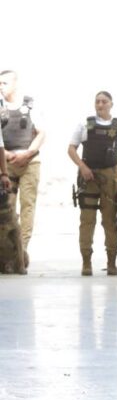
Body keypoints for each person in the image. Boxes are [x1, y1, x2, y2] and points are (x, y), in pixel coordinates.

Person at [67, 91, 117, 276]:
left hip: (111, 178)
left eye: (104, 101)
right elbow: (71, 148)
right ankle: (86, 262)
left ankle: (112, 262)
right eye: (97, 101)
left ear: (111, 104)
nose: (100, 104)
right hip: (88, 177)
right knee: (87, 221)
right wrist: (82, 166)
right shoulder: (85, 124)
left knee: (110, 221)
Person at [0, 70, 45, 261]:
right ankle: (6, 252)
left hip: (29, 161)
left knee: (27, 207)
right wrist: (8, 156)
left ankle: (22, 250)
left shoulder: (31, 105)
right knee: (7, 207)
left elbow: (41, 133)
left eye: (4, 83)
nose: (0, 87)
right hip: (7, 163)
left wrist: (28, 153)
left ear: (15, 84)